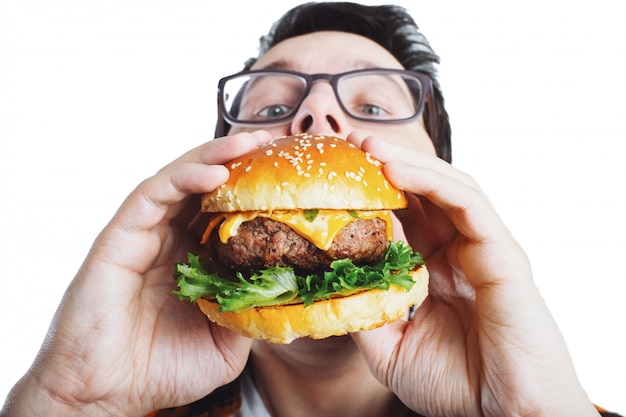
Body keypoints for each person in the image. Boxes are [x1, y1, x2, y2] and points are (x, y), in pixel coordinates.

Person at [0, 2, 621, 417]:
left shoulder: (540, 403)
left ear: (437, 189)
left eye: (373, 108)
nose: (315, 119)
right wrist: (71, 402)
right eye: (272, 107)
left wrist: (537, 411)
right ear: (207, 192)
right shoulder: (120, 400)